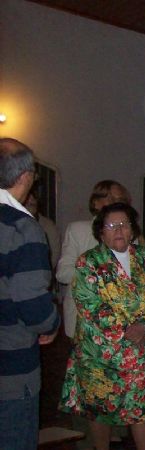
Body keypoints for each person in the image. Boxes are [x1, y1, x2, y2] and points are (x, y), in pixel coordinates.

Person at [59, 203, 145, 450]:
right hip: (100, 353)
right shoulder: (88, 262)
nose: (119, 230)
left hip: (138, 353)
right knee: (100, 410)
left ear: (133, 230)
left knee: (142, 409)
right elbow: (89, 305)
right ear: (101, 232)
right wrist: (127, 329)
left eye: (124, 224)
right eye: (111, 225)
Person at [0, 138, 60, 450]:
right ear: (25, 177)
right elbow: (33, 305)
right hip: (10, 371)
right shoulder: (22, 228)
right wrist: (51, 322)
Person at [57, 180, 131, 339]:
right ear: (96, 203)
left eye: (120, 200)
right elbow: (63, 273)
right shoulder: (78, 230)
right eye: (110, 199)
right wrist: (98, 273)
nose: (115, 204)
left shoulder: (130, 234)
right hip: (83, 322)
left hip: (119, 322)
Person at [24, 188, 61, 271]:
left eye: (33, 199)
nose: (31, 201)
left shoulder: (48, 226)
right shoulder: (12, 225)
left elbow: (54, 256)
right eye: (27, 200)